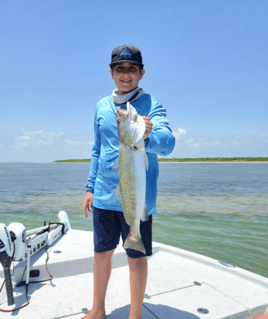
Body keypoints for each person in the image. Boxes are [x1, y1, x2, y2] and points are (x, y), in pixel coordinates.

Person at [82, 45, 175, 319]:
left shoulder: (152, 105)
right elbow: (97, 149)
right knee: (102, 253)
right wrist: (90, 187)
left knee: (136, 256)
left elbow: (168, 144)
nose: (126, 75)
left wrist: (147, 135)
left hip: (137, 200)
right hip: (103, 195)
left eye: (132, 69)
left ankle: (135, 315)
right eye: (120, 69)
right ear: (111, 73)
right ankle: (98, 309)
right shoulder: (101, 106)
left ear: (142, 73)